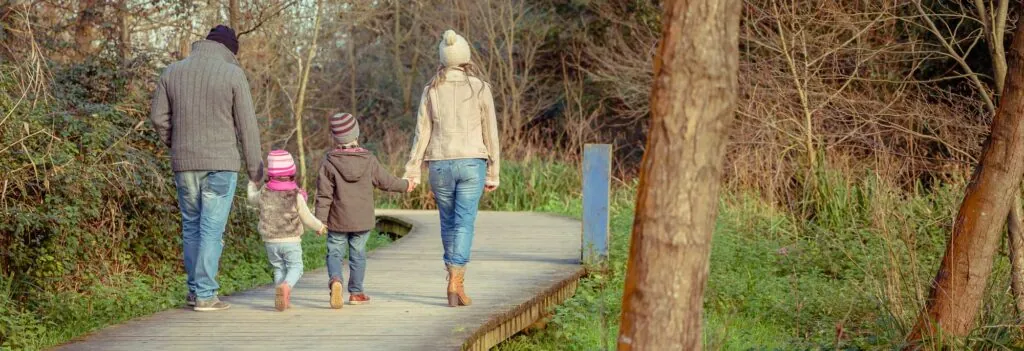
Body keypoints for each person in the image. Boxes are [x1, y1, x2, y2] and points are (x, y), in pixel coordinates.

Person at [149, 25, 264, 312]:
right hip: (220, 165)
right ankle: (205, 294)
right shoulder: (233, 74)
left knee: (191, 226)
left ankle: (194, 291)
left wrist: (177, 143)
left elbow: (158, 118)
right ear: (230, 50)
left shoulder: (172, 72)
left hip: (185, 164)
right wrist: (256, 171)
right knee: (211, 229)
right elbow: (247, 127)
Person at [402, 29, 501, 307]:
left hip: (440, 164)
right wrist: (493, 172)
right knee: (464, 222)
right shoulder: (480, 88)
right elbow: (491, 133)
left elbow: (421, 133)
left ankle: (453, 279)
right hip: (472, 162)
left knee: (447, 222)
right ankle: (456, 281)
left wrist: (412, 170)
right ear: (466, 56)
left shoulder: (431, 90)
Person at [316, 112, 411, 309]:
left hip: (337, 220)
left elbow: (324, 195)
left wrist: (320, 220)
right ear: (356, 134)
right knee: (358, 255)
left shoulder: (329, 162)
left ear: (335, 138)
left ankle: (336, 280)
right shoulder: (368, 159)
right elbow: (386, 182)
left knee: (334, 252)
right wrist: (405, 185)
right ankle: (356, 293)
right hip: (361, 220)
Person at [246, 150, 327, 311]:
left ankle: (283, 298)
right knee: (296, 267)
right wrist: (320, 227)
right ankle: (286, 287)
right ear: (291, 171)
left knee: (279, 268)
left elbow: (252, 199)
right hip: (290, 240)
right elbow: (306, 217)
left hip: (270, 241)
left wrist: (251, 185)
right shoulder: (295, 194)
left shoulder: (265, 191)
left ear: (271, 172)